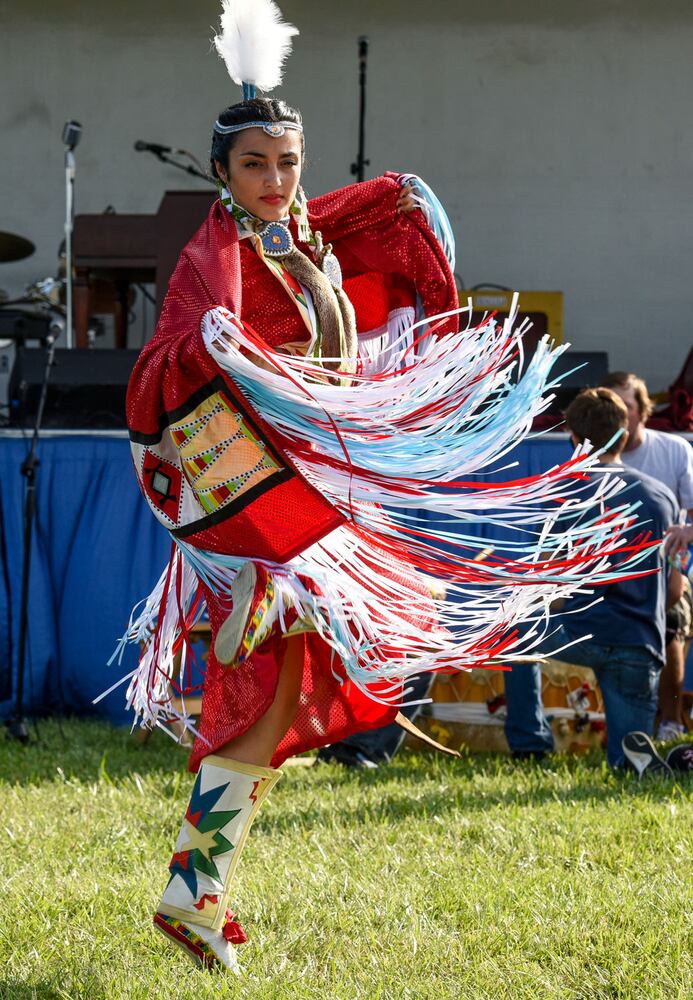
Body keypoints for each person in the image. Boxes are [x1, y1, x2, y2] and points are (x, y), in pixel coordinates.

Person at [115, 1, 656, 972]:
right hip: (270, 505)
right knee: (268, 691)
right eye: (255, 165)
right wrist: (224, 354)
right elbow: (181, 361)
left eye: (288, 162)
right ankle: (196, 882)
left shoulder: (302, 237)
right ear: (219, 171)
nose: (277, 181)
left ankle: (193, 893)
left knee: (274, 706)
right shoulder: (217, 259)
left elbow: (377, 227)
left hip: (325, 496)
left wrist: (403, 214)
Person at [503, 387, 682, 769]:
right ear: (624, 430)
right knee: (630, 762)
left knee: (513, 630)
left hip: (582, 631)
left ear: (572, 438)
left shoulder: (563, 492)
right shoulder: (663, 496)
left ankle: (529, 746)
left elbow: (548, 588)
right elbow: (674, 590)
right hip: (640, 642)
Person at [604, 371, 693, 741]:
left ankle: (670, 720)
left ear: (643, 410)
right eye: (612, 408)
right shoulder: (596, 455)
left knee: (670, 616)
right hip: (611, 574)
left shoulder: (675, 450)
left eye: (627, 406)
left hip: (669, 568)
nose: (621, 414)